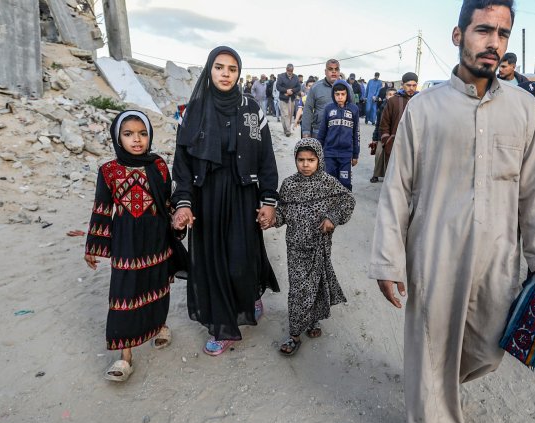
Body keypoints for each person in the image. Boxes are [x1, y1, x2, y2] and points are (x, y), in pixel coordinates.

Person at [368, 1, 535, 423]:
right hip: (434, 251)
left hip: (498, 254)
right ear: (458, 36)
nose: (493, 42)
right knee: (433, 347)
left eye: (502, 33)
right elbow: (397, 190)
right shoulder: (424, 108)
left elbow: (534, 187)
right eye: (483, 30)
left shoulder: (523, 108)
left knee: (487, 347)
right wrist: (388, 259)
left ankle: (434, 393)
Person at [171, 46, 280, 356]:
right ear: (209, 70)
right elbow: (182, 164)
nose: (225, 73)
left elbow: (266, 158)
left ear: (239, 74)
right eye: (219, 67)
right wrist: (184, 202)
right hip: (206, 197)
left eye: (232, 69)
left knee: (241, 260)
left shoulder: (252, 109)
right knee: (211, 262)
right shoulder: (190, 111)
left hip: (243, 194)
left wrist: (268, 200)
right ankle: (224, 323)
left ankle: (249, 296)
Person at [84, 110, 176, 382]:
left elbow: (167, 202)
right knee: (124, 293)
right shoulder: (109, 171)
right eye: (128, 134)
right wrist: (93, 246)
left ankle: (159, 326)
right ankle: (125, 357)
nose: (137, 140)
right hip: (125, 244)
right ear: (117, 137)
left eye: (142, 133)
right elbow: (102, 209)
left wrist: (179, 221)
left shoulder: (159, 165)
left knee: (157, 286)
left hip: (157, 238)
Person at [266, 138, 355, 356]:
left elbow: (348, 201)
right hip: (296, 248)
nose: (305, 164)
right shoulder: (288, 185)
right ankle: (295, 334)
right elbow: (283, 213)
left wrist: (332, 218)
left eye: (311, 160)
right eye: (300, 160)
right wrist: (270, 220)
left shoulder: (328, 183)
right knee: (298, 290)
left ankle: (313, 320)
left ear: (319, 160)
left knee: (315, 285)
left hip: (319, 246)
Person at [374, 72, 418, 183]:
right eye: (408, 85)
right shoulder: (393, 101)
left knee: (411, 178)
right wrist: (387, 141)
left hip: (414, 146)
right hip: (394, 145)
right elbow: (384, 124)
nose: (411, 88)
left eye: (414, 85)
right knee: (393, 178)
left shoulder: (421, 101)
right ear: (402, 84)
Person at [317, 80, 360, 190]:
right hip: (329, 153)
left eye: (343, 94)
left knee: (345, 183)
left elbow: (356, 133)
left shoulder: (354, 109)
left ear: (347, 94)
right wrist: (317, 151)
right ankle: (330, 205)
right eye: (337, 94)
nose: (340, 97)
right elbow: (322, 132)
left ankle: (345, 204)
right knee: (329, 181)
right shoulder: (328, 109)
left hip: (346, 154)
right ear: (333, 94)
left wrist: (355, 155)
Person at [301, 59, 353, 138]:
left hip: (341, 132)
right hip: (318, 131)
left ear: (339, 71)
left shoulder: (348, 88)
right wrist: (306, 132)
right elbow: (308, 109)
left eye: (336, 69)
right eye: (330, 69)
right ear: (325, 71)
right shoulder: (315, 87)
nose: (334, 72)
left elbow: (353, 110)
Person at [369, 86, 396, 183]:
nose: (392, 97)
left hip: (393, 137)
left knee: (392, 157)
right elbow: (378, 124)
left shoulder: (398, 108)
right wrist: (375, 138)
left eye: (394, 95)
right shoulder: (382, 107)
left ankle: (389, 176)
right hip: (382, 135)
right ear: (386, 96)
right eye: (390, 95)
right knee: (379, 155)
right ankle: (376, 175)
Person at [276, 63, 302, 137]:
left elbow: (298, 87)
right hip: (283, 98)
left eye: (291, 70)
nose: (290, 72)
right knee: (285, 114)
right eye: (288, 70)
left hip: (292, 98)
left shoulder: (296, 77)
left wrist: (292, 91)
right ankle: (288, 131)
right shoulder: (281, 76)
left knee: (289, 115)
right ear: (286, 69)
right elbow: (278, 86)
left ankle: (286, 129)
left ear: (293, 70)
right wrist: (286, 91)